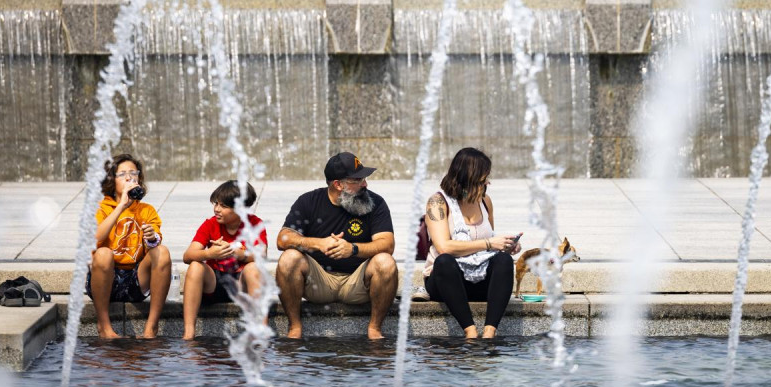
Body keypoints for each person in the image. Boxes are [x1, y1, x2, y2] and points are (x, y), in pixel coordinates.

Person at [275, 152, 398, 339]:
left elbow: (387, 244)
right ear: (338, 184)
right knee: (288, 259)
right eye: (358, 180)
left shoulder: (376, 202)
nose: (365, 184)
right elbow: (283, 239)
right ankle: (295, 328)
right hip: (319, 282)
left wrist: (353, 249)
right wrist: (318, 243)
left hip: (358, 284)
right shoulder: (308, 201)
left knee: (386, 262)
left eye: (364, 178)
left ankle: (374, 329)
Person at [423, 147, 521, 339]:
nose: (487, 183)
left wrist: (506, 246)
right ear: (467, 179)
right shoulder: (438, 202)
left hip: (479, 277)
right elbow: (444, 247)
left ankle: (489, 332)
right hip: (447, 281)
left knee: (503, 261)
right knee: (444, 261)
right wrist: (489, 243)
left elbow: (490, 246)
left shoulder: (485, 201)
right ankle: (470, 331)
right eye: (483, 180)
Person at [87, 153, 171, 339]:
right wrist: (121, 207)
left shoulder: (146, 210)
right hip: (104, 277)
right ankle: (104, 327)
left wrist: (151, 237)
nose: (128, 178)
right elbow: (93, 238)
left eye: (133, 174)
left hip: (135, 279)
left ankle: (151, 328)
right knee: (103, 254)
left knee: (162, 252)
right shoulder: (99, 208)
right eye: (122, 174)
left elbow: (155, 244)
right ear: (111, 179)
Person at [181, 180, 269, 340]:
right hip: (214, 284)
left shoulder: (255, 224)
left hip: (240, 286)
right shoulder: (210, 224)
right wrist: (210, 254)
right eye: (216, 204)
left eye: (223, 206)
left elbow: (262, 255)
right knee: (195, 266)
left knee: (254, 268)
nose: (216, 209)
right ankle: (188, 333)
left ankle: (260, 331)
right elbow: (188, 255)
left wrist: (239, 254)